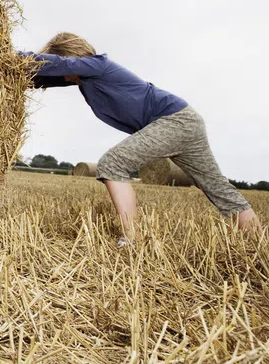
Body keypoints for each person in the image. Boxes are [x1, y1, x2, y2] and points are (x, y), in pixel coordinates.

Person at [23, 32, 262, 246]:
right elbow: (41, 75)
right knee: (217, 187)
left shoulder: (97, 65)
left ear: (72, 57)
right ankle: (258, 244)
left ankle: (131, 238)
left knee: (113, 163)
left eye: (64, 66)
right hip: (186, 120)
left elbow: (54, 64)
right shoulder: (84, 77)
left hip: (174, 121)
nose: (63, 75)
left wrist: (1, 51)